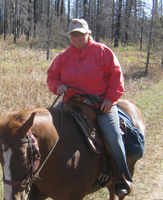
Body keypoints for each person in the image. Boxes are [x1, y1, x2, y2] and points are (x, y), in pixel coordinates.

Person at [47, 18, 132, 197]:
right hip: (71, 102)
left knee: (114, 136)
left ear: (88, 34)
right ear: (70, 36)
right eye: (73, 34)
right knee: (46, 129)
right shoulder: (63, 56)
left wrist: (110, 99)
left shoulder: (102, 52)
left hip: (100, 104)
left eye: (80, 33)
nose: (76, 37)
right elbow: (52, 76)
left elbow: (116, 77)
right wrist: (58, 86)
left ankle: (121, 178)